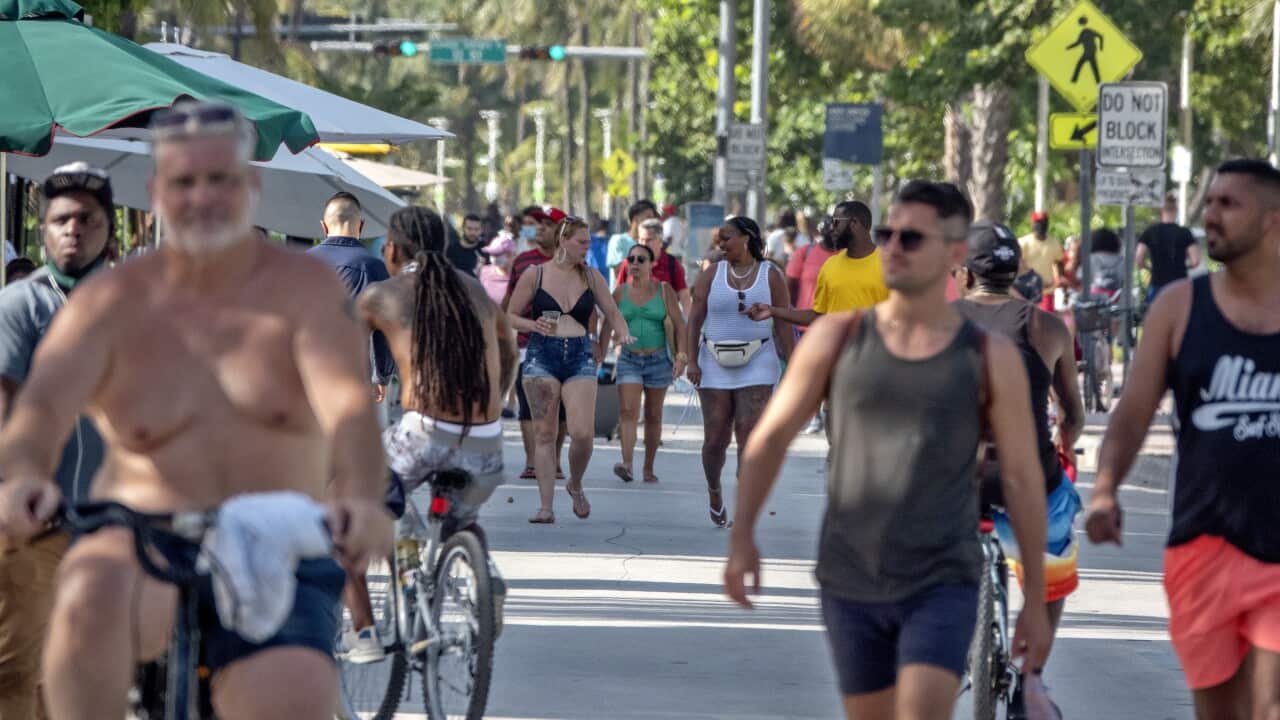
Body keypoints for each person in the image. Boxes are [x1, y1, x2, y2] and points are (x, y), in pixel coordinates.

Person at [0, 101, 392, 720]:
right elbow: (41, 411)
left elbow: (347, 406)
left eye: (221, 181)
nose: (202, 198)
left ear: (251, 187)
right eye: (185, 182)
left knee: (291, 697)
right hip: (140, 532)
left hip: (279, 534)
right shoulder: (112, 300)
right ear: (157, 192)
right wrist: (22, 477)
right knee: (83, 609)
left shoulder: (305, 291)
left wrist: (364, 496)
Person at [725, 180, 1050, 720]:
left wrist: (1035, 597)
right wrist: (742, 538)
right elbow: (769, 441)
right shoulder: (838, 339)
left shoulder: (990, 358)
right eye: (888, 233)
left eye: (912, 237)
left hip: (942, 575)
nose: (893, 247)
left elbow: (1020, 477)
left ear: (954, 255)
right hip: (852, 577)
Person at [1086, 159, 1280, 718]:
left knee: (1270, 707)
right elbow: (1133, 413)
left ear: (1271, 221)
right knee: (1218, 711)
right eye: (1210, 202)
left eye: (1228, 204)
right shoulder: (1178, 308)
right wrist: (1104, 489)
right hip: (1203, 542)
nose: (1210, 215)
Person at [352, 205, 518, 657]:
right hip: (486, 446)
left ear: (391, 248)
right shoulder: (476, 291)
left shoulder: (380, 295)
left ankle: (364, 631)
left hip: (422, 436)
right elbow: (509, 352)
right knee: (462, 521)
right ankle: (487, 578)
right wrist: (493, 405)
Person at [954, 220, 1086, 717]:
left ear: (965, 274)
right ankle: (1032, 677)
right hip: (1025, 478)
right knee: (1053, 556)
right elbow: (1071, 414)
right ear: (1017, 273)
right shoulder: (1046, 326)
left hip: (956, 482)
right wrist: (1064, 441)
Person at [0, 163, 112, 720]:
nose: (73, 230)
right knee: (18, 668)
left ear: (108, 228)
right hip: (34, 522)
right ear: (43, 229)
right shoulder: (20, 306)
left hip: (110, 525)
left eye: (87, 220)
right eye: (61, 219)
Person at [507, 217, 633, 523]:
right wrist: (531, 324)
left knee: (582, 433)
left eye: (589, 242)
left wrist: (623, 333)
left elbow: (611, 311)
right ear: (564, 241)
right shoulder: (534, 275)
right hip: (541, 355)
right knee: (544, 433)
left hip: (578, 354)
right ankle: (545, 506)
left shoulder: (591, 276)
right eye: (582, 242)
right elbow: (508, 315)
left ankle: (575, 483)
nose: (587, 248)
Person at [687, 216, 795, 528]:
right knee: (715, 439)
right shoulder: (712, 274)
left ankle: (744, 508)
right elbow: (694, 320)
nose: (720, 245)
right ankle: (714, 491)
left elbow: (784, 323)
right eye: (719, 240)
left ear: (747, 238)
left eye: (727, 238)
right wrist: (691, 360)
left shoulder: (770, 275)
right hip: (713, 361)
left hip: (758, 360)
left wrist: (793, 367)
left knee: (749, 437)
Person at [606, 243, 688, 484]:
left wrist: (681, 357)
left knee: (653, 415)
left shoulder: (664, 291)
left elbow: (680, 324)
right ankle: (627, 464)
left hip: (658, 359)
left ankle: (648, 468)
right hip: (629, 358)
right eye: (630, 259)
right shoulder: (619, 292)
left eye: (641, 259)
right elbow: (608, 322)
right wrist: (600, 351)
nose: (634, 263)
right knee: (628, 412)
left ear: (652, 264)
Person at [504, 206, 570, 481]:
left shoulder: (573, 262)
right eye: (538, 224)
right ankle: (533, 462)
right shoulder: (522, 261)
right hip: (526, 345)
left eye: (547, 224)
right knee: (529, 406)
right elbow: (508, 303)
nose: (540, 228)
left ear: (560, 231)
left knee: (560, 408)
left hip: (565, 346)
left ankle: (553, 460)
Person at [747, 200, 888, 327]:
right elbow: (818, 316)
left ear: (854, 223)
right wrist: (772, 311)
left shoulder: (890, 265)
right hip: (835, 353)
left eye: (836, 222)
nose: (832, 228)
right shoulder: (830, 266)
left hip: (873, 354)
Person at [308, 192, 395, 395]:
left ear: (324, 226)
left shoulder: (299, 265)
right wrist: (381, 375)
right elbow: (384, 328)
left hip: (304, 375)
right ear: (362, 226)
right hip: (352, 377)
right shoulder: (375, 268)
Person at [615, 218, 692, 315]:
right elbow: (618, 294)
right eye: (641, 239)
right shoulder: (628, 263)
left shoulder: (672, 264)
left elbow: (684, 296)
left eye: (648, 240)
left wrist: (687, 322)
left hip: (664, 326)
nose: (643, 244)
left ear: (660, 241)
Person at [1137, 192, 1201, 304]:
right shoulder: (1185, 233)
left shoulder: (1150, 231)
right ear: (1176, 210)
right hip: (1180, 285)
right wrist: (1183, 266)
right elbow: (1195, 261)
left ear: (1160, 210)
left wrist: (1150, 268)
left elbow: (1139, 259)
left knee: (1156, 319)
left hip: (1157, 283)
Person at [1019, 211, 1065, 313]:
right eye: (1038, 223)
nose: (1041, 226)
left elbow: (1059, 263)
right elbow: (1017, 265)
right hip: (1027, 290)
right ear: (1033, 224)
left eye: (1044, 223)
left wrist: (1059, 281)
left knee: (1045, 321)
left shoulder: (1054, 243)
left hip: (1047, 292)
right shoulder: (1023, 243)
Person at [607, 200, 658, 288]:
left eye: (653, 218)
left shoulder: (651, 242)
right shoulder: (618, 240)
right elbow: (619, 272)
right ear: (635, 219)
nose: (651, 222)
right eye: (648, 217)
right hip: (621, 299)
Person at [1084, 227, 1124, 299]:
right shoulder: (1121, 259)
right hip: (1118, 296)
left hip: (1095, 296)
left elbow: (1081, 277)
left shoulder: (1092, 258)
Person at [479, 231, 517, 306]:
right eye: (492, 254)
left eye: (498, 254)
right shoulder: (484, 271)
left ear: (510, 255)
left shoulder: (519, 276)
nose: (494, 258)